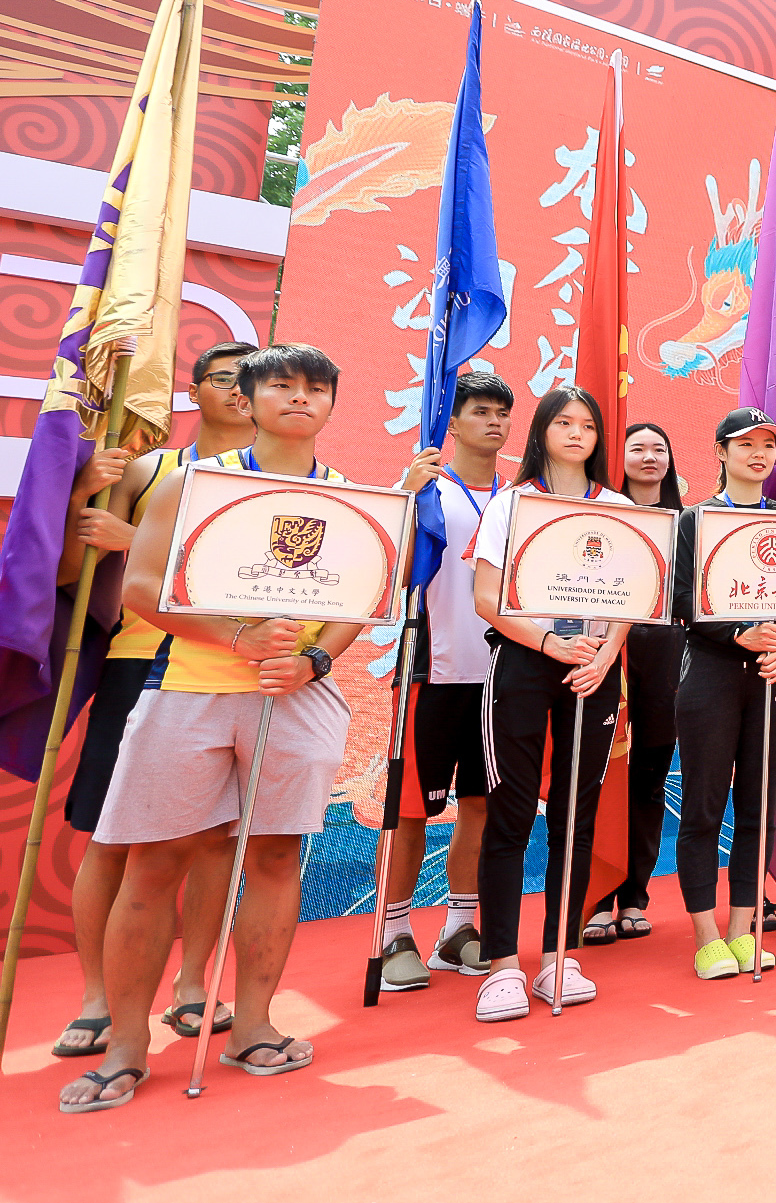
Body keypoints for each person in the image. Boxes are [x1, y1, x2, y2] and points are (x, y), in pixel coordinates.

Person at [60, 345, 364, 1112]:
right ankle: (125, 1043)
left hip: (292, 699)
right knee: (154, 862)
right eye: (282, 385)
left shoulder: (349, 499)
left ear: (332, 404)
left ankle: (252, 1024)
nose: (300, 398)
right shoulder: (190, 483)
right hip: (186, 689)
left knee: (274, 856)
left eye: (316, 388)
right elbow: (139, 586)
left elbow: (358, 600)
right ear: (248, 399)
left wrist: (313, 663)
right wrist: (234, 638)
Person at [53, 341, 254, 1059]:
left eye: (253, 380)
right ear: (194, 391)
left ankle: (194, 982)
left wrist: (133, 537)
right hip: (139, 663)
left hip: (228, 666)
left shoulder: (273, 486)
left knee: (215, 839)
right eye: (226, 378)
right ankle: (98, 998)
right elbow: (72, 571)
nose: (241, 391)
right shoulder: (150, 469)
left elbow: (244, 578)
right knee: (109, 838)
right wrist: (79, 497)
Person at [468, 386, 633, 1021]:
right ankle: (501, 965)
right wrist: (547, 642)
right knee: (510, 812)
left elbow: (632, 594)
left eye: (587, 425)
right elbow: (487, 598)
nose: (576, 434)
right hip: (523, 659)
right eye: (563, 423)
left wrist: (605, 653)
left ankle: (560, 956)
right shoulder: (511, 503)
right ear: (541, 432)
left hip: (594, 666)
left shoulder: (618, 508)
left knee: (575, 814)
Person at [372, 370, 514, 993]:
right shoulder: (425, 489)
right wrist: (406, 500)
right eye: (480, 411)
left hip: (500, 675)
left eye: (502, 413)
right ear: (450, 423)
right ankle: (393, 932)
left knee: (480, 806)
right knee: (410, 812)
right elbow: (387, 564)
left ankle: (459, 927)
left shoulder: (517, 498)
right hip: (432, 670)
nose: (494, 422)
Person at [670, 408, 776, 977]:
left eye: (768, 445)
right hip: (711, 673)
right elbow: (680, 597)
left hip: (773, 677)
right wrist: (736, 634)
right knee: (703, 806)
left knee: (759, 805)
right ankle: (706, 935)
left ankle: (742, 930)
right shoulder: (694, 520)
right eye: (746, 444)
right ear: (720, 452)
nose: (759, 454)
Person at [584, 421, 689, 944]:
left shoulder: (688, 524)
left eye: (659, 449)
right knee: (604, 776)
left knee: (649, 776)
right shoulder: (601, 516)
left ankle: (634, 897)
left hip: (666, 655)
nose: (649, 457)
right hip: (609, 654)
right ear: (618, 458)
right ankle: (597, 898)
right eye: (638, 448)